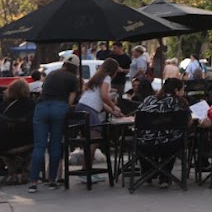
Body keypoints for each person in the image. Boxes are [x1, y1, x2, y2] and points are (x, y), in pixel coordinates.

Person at [29, 53, 80, 192]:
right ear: (76, 67)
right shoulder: (73, 78)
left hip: (42, 107)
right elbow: (71, 99)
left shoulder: (52, 74)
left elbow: (43, 89)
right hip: (59, 108)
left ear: (64, 64)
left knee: (39, 146)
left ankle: (33, 182)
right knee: (55, 144)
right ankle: (52, 180)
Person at [134, 77, 191, 182]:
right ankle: (164, 177)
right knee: (172, 136)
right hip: (170, 145)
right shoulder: (180, 102)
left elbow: (138, 118)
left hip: (145, 144)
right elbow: (187, 124)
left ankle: (148, 173)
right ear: (177, 90)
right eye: (182, 89)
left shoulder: (149, 99)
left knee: (146, 137)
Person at [0, 78, 35, 183]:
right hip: (27, 142)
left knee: (6, 150)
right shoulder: (31, 104)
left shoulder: (3, 105)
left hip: (4, 145)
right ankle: (25, 172)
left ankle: (12, 173)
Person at [76, 60, 124, 129]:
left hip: (82, 105)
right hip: (90, 108)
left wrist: (113, 112)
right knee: (95, 132)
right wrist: (114, 107)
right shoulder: (107, 78)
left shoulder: (97, 77)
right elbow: (104, 96)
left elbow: (101, 102)